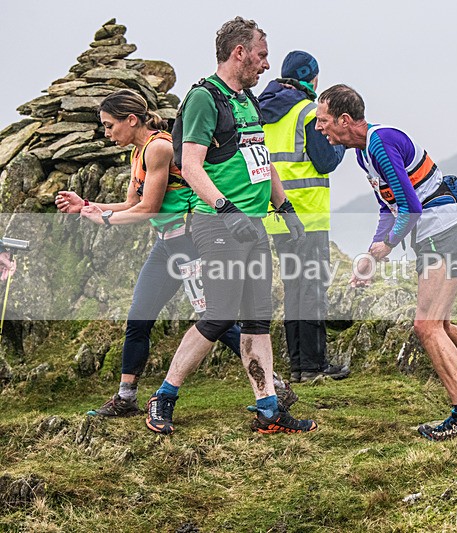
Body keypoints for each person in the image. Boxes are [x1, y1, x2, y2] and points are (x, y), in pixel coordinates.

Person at [315, 84, 457, 440]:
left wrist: (387, 246)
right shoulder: (363, 154)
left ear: (344, 119)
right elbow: (389, 207)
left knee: (426, 326)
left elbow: (412, 207)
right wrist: (373, 251)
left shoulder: (379, 143)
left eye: (322, 120)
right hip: (440, 233)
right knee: (440, 326)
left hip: (444, 231)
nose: (318, 127)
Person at [54, 89, 284, 418]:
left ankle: (274, 386)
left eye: (109, 125)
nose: (106, 133)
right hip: (166, 244)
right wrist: (86, 207)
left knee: (216, 321)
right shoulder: (138, 152)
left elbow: (147, 209)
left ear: (131, 120)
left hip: (188, 243)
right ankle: (126, 397)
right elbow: (132, 204)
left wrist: (102, 219)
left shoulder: (159, 148)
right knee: (139, 316)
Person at [145, 17, 316, 435]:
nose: (265, 63)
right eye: (260, 54)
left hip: (254, 225)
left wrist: (286, 206)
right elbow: (189, 165)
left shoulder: (247, 99)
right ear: (239, 53)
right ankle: (163, 398)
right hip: (219, 225)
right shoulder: (205, 98)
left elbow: (262, 159)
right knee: (219, 315)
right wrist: (225, 209)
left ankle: (269, 410)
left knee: (258, 320)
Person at [258, 51, 348, 383]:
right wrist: (340, 146)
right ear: (310, 77)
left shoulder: (266, 112)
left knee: (294, 288)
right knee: (312, 289)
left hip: (278, 214)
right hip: (307, 214)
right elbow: (325, 161)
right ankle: (313, 366)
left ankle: (297, 365)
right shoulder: (308, 112)